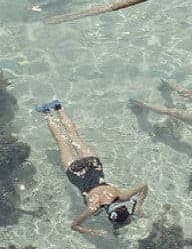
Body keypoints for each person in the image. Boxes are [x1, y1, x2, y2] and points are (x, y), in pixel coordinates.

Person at [37, 100, 148, 238]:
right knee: (61, 141)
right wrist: (95, 233)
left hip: (93, 166)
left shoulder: (122, 196)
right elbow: (74, 225)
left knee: (73, 135)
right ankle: (46, 112)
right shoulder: (93, 207)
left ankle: (58, 108)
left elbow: (144, 186)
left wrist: (136, 208)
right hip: (76, 173)